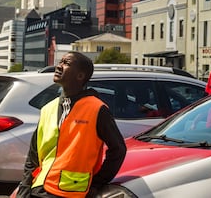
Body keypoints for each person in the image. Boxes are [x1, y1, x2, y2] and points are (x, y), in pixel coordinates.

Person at [16, 51, 127, 197]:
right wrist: (24, 189)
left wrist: (96, 184)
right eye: (60, 61)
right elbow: (33, 156)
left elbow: (118, 150)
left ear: (80, 76)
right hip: (39, 189)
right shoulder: (48, 108)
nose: (59, 66)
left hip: (71, 193)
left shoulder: (97, 109)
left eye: (66, 63)